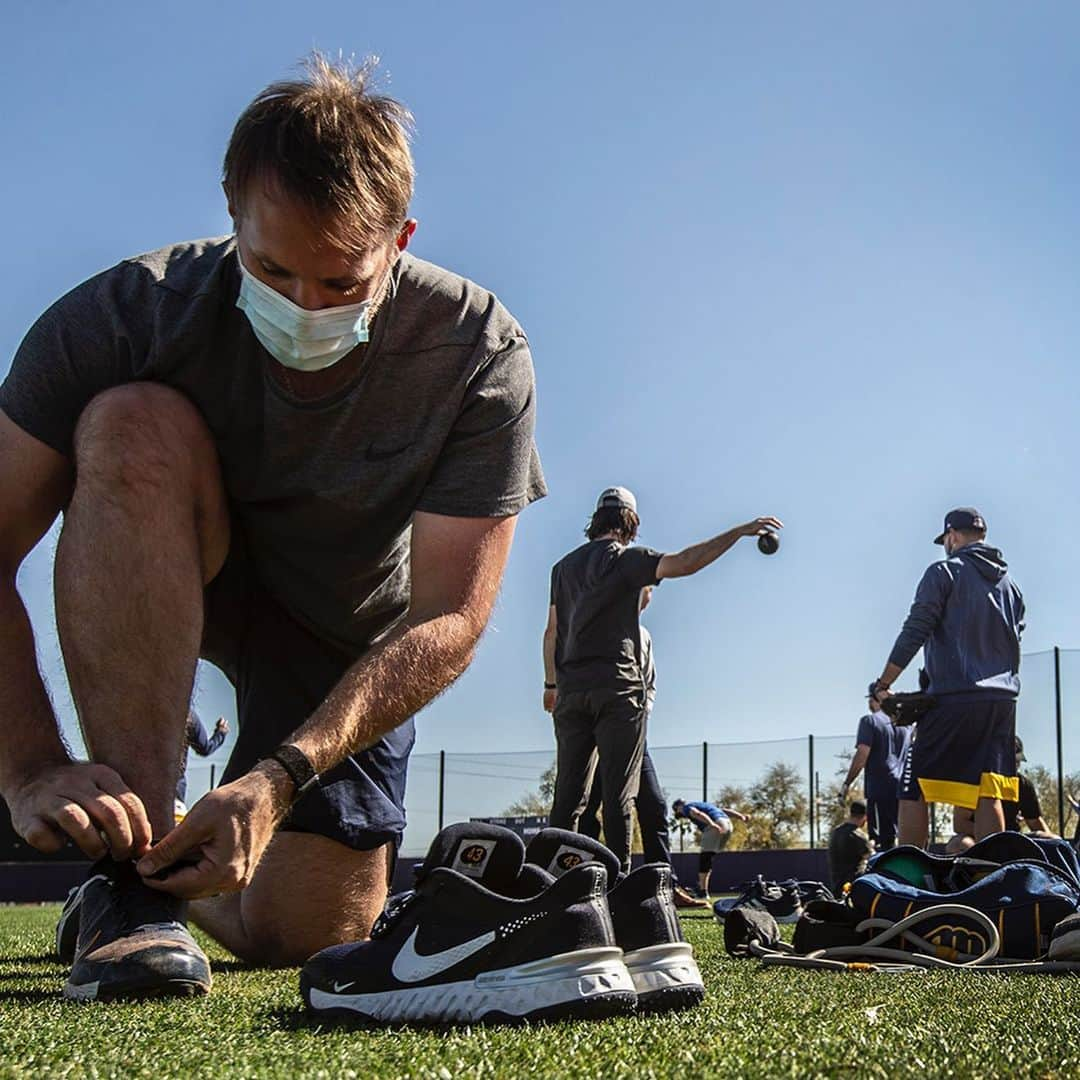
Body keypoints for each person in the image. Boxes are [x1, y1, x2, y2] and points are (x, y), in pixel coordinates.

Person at [0, 55, 545, 1001]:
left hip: (345, 638)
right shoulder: (125, 315)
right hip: (188, 568)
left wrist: (282, 776)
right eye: (272, 269)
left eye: (342, 283)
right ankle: (130, 896)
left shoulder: (476, 352)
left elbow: (451, 616)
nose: (304, 309)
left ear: (400, 239)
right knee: (129, 418)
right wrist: (32, 769)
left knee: (304, 933)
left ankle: (165, 834)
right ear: (231, 216)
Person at [543, 486, 780, 871]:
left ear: (596, 521)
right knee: (620, 796)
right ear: (630, 523)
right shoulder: (627, 559)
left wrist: (550, 684)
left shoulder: (562, 567)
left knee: (568, 798)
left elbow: (552, 631)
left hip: (570, 693)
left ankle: (551, 885)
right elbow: (686, 562)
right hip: (618, 692)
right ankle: (614, 890)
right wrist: (738, 532)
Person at [870, 508, 1025, 846]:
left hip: (956, 697)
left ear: (952, 536)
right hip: (1002, 702)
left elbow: (916, 630)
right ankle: (994, 880)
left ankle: (907, 881)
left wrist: (883, 684)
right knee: (988, 793)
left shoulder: (943, 571)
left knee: (913, 787)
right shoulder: (1010, 586)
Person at [577, 588, 704, 906]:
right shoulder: (593, 626)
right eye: (641, 586)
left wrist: (639, 714)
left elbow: (650, 683)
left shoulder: (644, 635)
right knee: (589, 808)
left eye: (648, 588)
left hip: (632, 732)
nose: (647, 592)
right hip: (593, 731)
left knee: (654, 805)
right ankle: (585, 883)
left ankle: (664, 886)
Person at [948, 737, 1056, 851]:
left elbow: (1035, 821)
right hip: (978, 839)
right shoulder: (975, 781)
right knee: (960, 844)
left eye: (1017, 762)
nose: (1015, 766)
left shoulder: (1023, 785)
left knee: (1053, 841)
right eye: (1011, 761)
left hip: (1013, 838)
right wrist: (995, 835)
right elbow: (960, 824)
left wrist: (1053, 842)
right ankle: (978, 865)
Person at [839, 696, 911, 850]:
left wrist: (847, 782)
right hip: (903, 788)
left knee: (880, 841)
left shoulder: (869, 721)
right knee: (901, 836)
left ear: (875, 700)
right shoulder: (906, 726)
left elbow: (862, 754)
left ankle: (884, 873)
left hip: (880, 787)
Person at [671, 798, 749, 898]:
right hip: (728, 826)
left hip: (716, 825)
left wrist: (712, 824)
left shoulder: (686, 807)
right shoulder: (706, 805)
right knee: (708, 858)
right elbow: (725, 810)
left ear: (679, 806)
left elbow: (696, 813)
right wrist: (741, 816)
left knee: (705, 858)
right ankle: (701, 886)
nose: (680, 814)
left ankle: (703, 891)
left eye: (677, 810)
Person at [174, 713, 230, 817]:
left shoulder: (141, 709)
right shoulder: (187, 713)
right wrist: (220, 733)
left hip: (142, 793)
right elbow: (205, 748)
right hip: (174, 795)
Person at [828, 800, 874, 894]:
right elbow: (872, 857)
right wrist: (871, 845)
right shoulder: (858, 834)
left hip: (836, 884)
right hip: (853, 886)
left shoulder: (835, 832)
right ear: (865, 817)